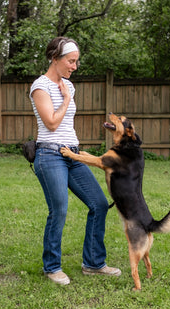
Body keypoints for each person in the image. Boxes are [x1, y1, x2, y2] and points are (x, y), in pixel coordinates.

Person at [29, 37, 121, 285]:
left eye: (76, 61)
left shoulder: (68, 85)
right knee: (59, 209)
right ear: (55, 58)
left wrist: (68, 95)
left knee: (99, 204)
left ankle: (93, 263)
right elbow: (51, 123)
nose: (75, 66)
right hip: (49, 155)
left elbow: (66, 123)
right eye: (71, 61)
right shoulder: (40, 86)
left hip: (73, 154)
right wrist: (67, 99)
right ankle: (52, 267)